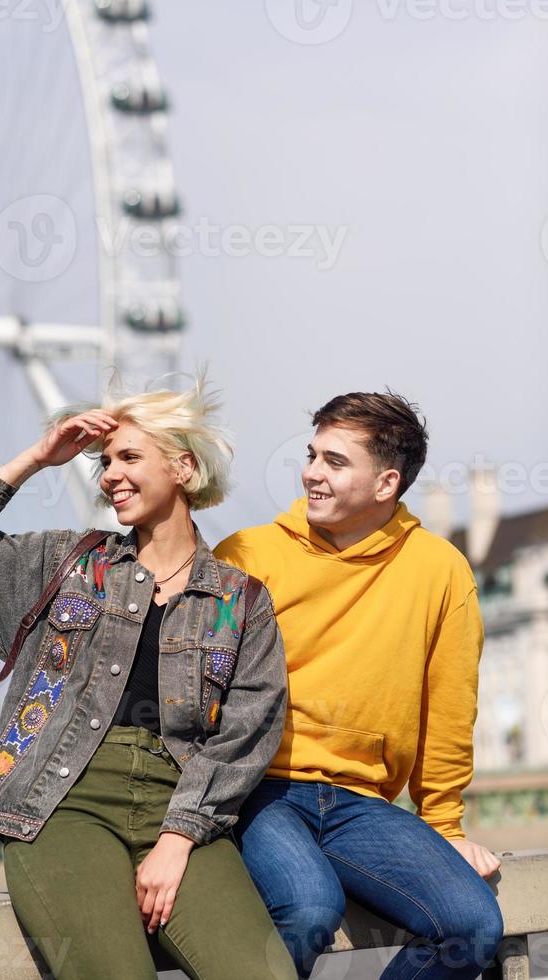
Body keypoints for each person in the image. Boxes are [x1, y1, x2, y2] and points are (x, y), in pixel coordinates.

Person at [0, 377, 297, 980]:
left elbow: (248, 730)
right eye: (104, 462)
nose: (110, 474)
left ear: (184, 468)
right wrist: (38, 458)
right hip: (61, 802)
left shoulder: (239, 599)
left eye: (130, 457)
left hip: (181, 808)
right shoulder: (65, 565)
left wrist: (179, 837)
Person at [214, 391, 504, 980]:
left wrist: (445, 826)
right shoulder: (245, 555)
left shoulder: (441, 570)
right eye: (313, 455)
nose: (311, 474)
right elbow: (201, 683)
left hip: (362, 806)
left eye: (336, 462)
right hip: (258, 790)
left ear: (385, 483)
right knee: (308, 907)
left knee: (473, 926)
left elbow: (449, 711)